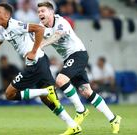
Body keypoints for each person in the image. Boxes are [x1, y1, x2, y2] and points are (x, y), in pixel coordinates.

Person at [0, 3, 81, 135]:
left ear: (7, 15)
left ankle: (44, 92)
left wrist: (33, 51)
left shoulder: (15, 25)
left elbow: (39, 29)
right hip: (40, 61)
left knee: (9, 94)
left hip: (36, 62)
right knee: (49, 100)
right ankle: (72, 125)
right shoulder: (3, 31)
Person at [37, 2, 121, 134]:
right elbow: (32, 38)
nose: (40, 14)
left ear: (51, 12)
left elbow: (57, 36)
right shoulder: (41, 28)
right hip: (69, 58)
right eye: (39, 11)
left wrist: (42, 45)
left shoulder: (61, 22)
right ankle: (114, 119)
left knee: (60, 80)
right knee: (86, 91)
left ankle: (81, 110)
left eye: (43, 11)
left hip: (78, 54)